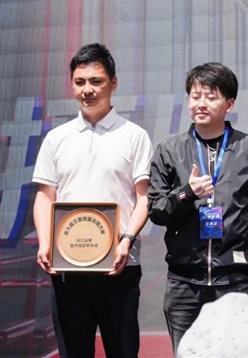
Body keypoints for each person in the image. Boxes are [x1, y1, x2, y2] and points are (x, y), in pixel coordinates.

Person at [32, 43, 153, 358]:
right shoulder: (56, 138)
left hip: (120, 266)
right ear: (72, 85)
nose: (88, 89)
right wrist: (45, 241)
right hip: (68, 268)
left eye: (96, 81)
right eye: (80, 82)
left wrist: (127, 239)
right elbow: (45, 197)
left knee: (123, 351)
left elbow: (144, 198)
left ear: (113, 83)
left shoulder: (133, 135)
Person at [147, 62, 248, 354]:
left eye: (211, 96)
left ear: (230, 104)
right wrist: (187, 193)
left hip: (233, 279)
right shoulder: (169, 150)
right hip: (183, 282)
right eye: (195, 96)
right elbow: (156, 210)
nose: (201, 103)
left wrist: (243, 242)